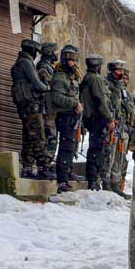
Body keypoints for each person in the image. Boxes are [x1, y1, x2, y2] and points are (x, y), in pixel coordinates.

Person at [10, 39, 52, 179]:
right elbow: (36, 83)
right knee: (38, 136)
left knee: (28, 137)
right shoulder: (26, 63)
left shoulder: (19, 62)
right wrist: (46, 88)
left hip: (25, 105)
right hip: (31, 106)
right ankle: (42, 168)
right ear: (32, 51)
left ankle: (28, 167)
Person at [49, 45, 83, 193]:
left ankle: (66, 176)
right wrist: (74, 103)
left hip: (71, 117)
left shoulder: (71, 76)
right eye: (71, 60)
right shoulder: (60, 76)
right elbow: (57, 98)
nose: (74, 63)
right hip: (64, 116)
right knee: (65, 148)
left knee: (70, 148)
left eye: (75, 60)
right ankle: (62, 181)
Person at [80, 54, 114, 191]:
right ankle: (93, 181)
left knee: (95, 149)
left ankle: (93, 180)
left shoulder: (86, 79)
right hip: (98, 119)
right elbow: (101, 101)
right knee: (97, 150)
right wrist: (109, 118)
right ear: (98, 66)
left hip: (91, 119)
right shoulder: (96, 80)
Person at [105, 60, 127, 196]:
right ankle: (106, 181)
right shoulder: (106, 83)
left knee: (119, 155)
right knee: (109, 154)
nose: (120, 74)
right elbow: (106, 103)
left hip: (119, 123)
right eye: (118, 71)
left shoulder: (120, 86)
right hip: (110, 122)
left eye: (122, 71)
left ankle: (115, 183)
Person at [37, 42, 59, 164]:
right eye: (55, 51)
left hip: (50, 109)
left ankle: (46, 163)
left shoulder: (49, 67)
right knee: (49, 138)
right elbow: (47, 88)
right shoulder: (44, 68)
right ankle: (44, 165)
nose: (57, 54)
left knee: (52, 138)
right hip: (46, 109)